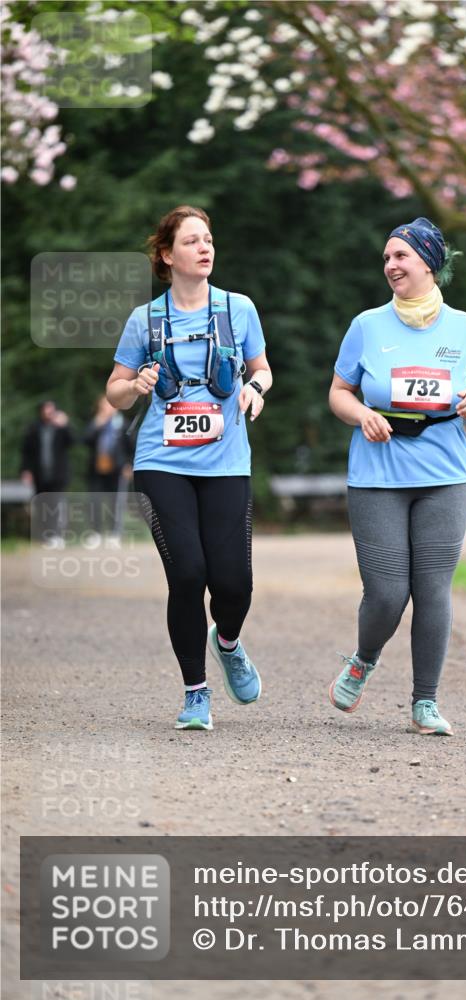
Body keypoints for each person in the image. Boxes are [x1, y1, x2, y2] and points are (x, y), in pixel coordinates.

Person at [328, 217, 466, 735]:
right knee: (386, 594)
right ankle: (363, 658)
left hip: (445, 475)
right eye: (386, 258)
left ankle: (426, 701)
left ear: (429, 262)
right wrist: (363, 414)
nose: (390, 265)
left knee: (433, 590)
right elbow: (338, 393)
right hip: (377, 473)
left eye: (400, 256)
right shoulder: (367, 326)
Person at [107, 205, 272, 729]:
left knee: (234, 583)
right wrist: (135, 386)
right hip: (161, 461)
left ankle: (229, 643)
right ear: (166, 255)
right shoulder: (145, 320)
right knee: (187, 573)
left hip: (226, 461)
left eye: (209, 240)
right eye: (192, 241)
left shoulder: (238, 309)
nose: (205, 248)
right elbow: (114, 391)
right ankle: (195, 693)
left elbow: (263, 369)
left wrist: (254, 388)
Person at [20, 400, 73, 546]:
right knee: (42, 505)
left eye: (51, 410)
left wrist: (65, 425)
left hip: (58, 475)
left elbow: (72, 441)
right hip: (40, 475)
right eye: (45, 410)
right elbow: (27, 453)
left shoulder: (60, 428)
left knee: (56, 505)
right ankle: (46, 535)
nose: (48, 413)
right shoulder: (34, 429)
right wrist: (26, 470)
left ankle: (57, 535)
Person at [84, 395, 133, 539]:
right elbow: (85, 440)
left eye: (109, 404)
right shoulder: (96, 423)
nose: (106, 408)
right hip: (97, 468)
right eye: (103, 405)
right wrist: (97, 424)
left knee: (115, 502)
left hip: (118, 469)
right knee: (95, 501)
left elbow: (132, 446)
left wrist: (129, 465)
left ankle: (114, 533)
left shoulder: (123, 424)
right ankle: (96, 532)